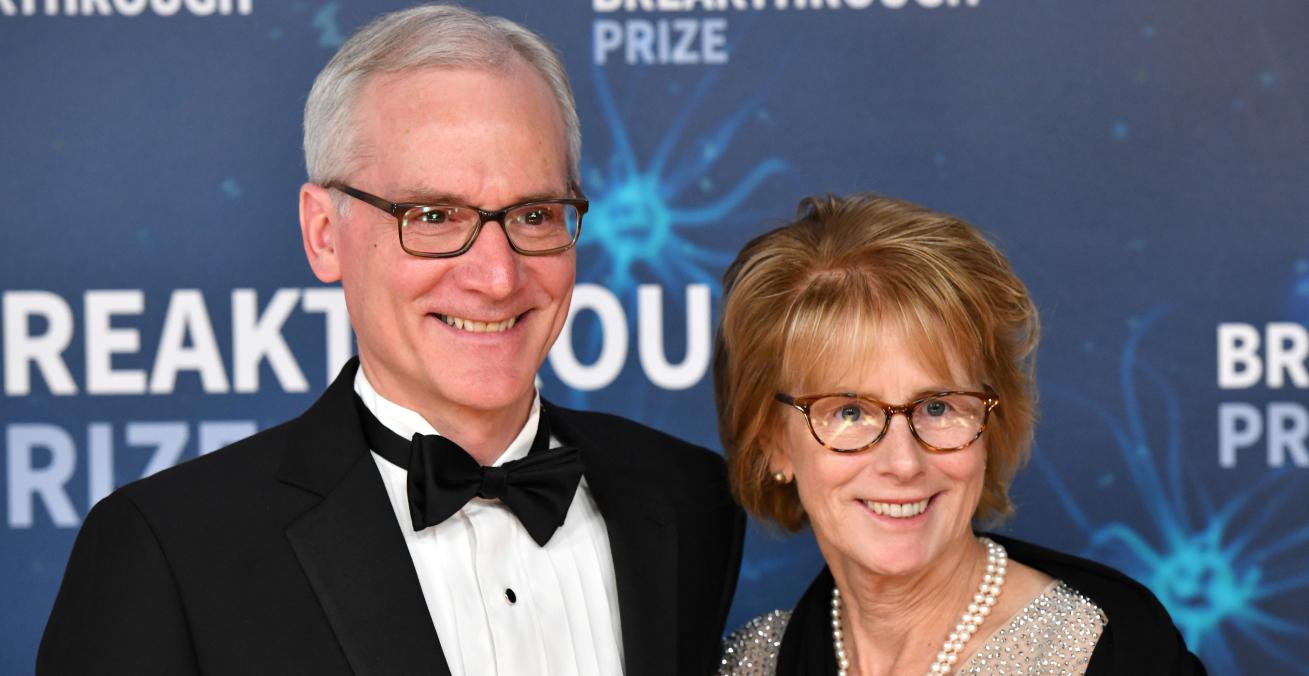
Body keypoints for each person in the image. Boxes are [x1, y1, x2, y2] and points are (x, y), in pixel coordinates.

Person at [37, 5, 743, 675]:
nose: (497, 277)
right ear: (323, 234)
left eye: (533, 214)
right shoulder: (169, 553)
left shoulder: (688, 501)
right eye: (433, 215)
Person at [713, 194, 1204, 675]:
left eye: (936, 406)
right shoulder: (754, 664)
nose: (903, 463)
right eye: (849, 412)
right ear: (773, 442)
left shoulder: (1109, 652)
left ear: (992, 422)